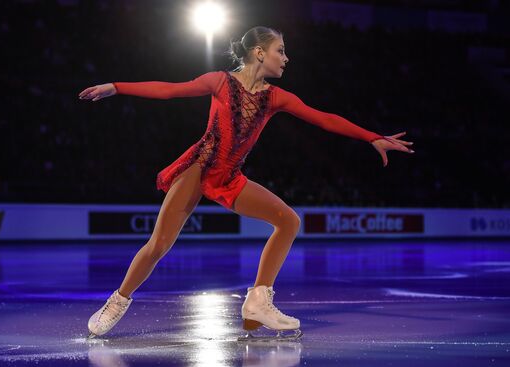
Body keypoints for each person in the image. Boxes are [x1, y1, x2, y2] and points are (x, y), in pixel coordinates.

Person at [79, 26, 413, 341]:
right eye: (280, 51)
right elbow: (169, 90)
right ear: (258, 52)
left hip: (229, 175)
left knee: (288, 221)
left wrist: (373, 138)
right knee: (158, 246)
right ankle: (118, 301)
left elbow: (324, 119)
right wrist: (117, 86)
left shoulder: (275, 98)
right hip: (199, 167)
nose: (286, 58)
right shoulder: (220, 82)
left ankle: (258, 301)